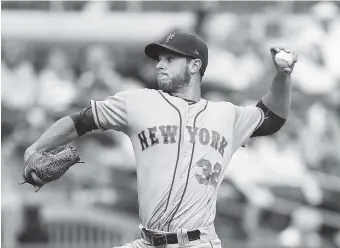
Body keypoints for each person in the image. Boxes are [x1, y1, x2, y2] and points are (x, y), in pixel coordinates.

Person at [24, 32, 298, 248]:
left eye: (169, 59)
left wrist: (281, 76)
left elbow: (272, 117)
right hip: (147, 241)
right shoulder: (138, 101)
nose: (159, 65)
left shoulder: (227, 115)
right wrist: (36, 147)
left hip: (199, 242)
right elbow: (80, 121)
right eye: (159, 59)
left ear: (195, 65)